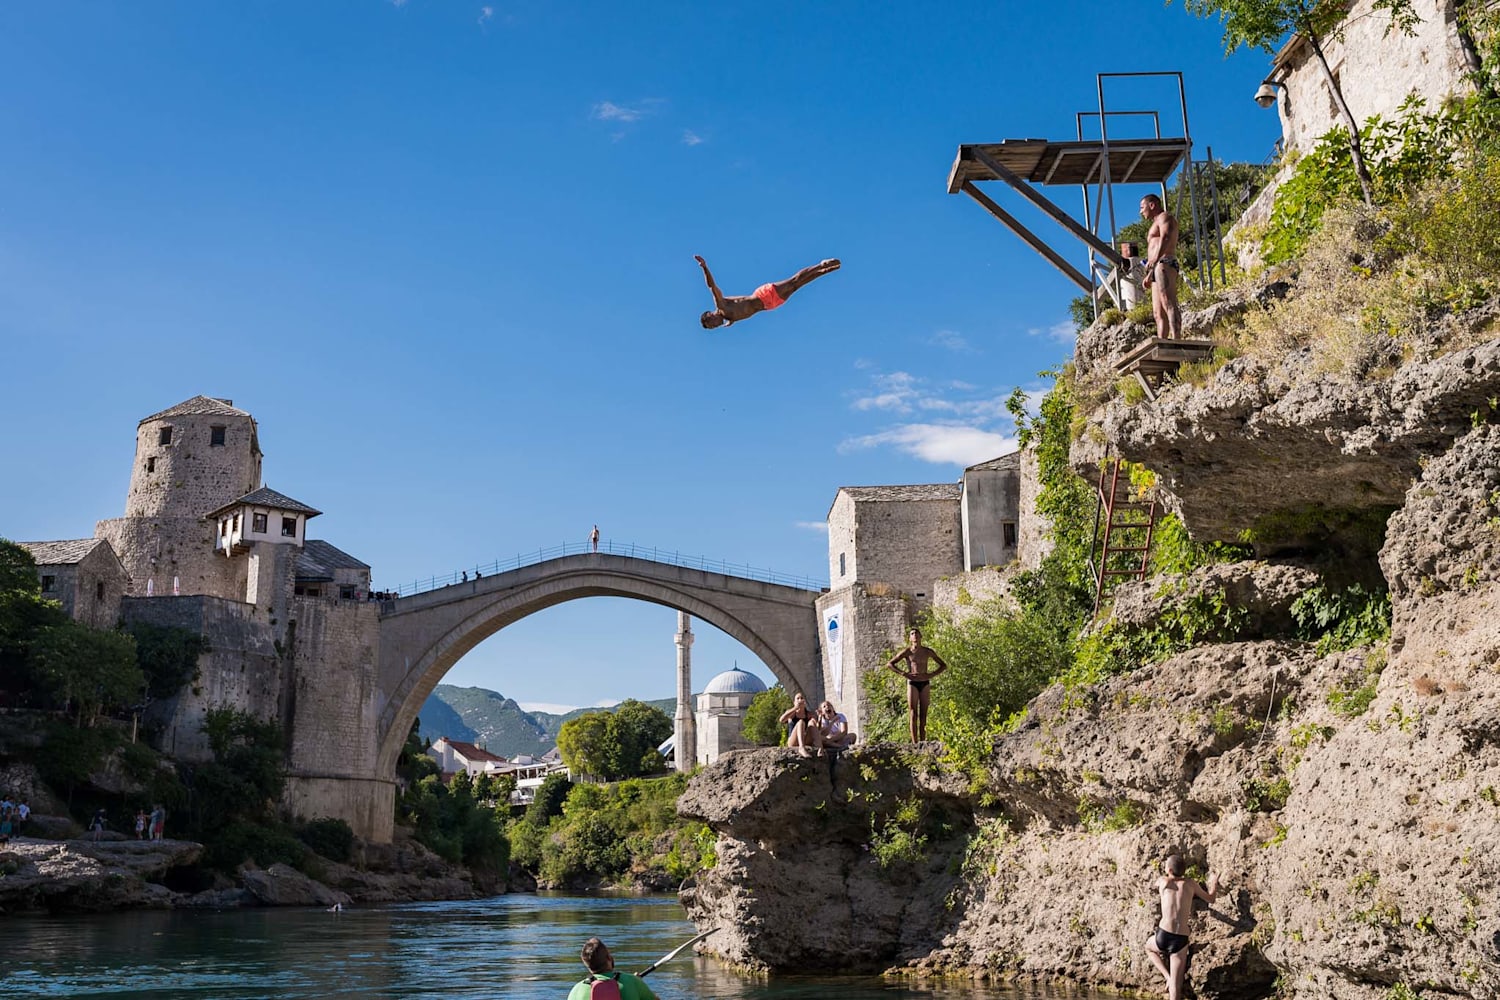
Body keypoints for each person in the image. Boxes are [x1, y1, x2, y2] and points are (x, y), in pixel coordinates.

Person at [1144, 854, 1220, 1000]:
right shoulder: (1190, 884)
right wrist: (1214, 883)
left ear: (1169, 869)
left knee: (1148, 947)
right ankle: (1171, 980)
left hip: (1163, 935)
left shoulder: (1163, 881)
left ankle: (1167, 976)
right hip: (1180, 939)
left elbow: (1153, 886)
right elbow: (1211, 899)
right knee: (1176, 987)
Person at [695, 255, 840, 329]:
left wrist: (704, 267)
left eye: (712, 324)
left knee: (793, 281)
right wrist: (731, 321)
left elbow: (711, 286)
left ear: (710, 315)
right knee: (797, 286)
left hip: (763, 295)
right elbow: (735, 315)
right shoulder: (729, 318)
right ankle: (824, 271)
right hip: (770, 305)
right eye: (713, 328)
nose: (716, 326)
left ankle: (820, 265)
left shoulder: (721, 305)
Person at [886, 627, 949, 742]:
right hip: (912, 683)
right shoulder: (907, 652)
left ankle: (923, 741)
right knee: (913, 713)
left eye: (916, 633)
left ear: (920, 637)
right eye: (912, 634)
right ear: (910, 638)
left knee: (924, 714)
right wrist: (904, 673)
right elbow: (890, 664)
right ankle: (915, 743)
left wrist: (931, 675)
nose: (914, 635)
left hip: (924, 682)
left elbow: (943, 665)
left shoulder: (927, 651)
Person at [1139, 193, 1182, 340]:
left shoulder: (1165, 217)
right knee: (1158, 313)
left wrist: (1156, 259)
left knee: (1168, 302)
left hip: (1165, 262)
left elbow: (1166, 237)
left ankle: (1177, 338)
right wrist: (1149, 275)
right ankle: (1162, 341)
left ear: (1152, 205)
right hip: (1156, 266)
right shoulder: (1154, 223)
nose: (1141, 211)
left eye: (1142, 207)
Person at [566, 937, 659, 1000]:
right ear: (609, 958)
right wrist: (638, 983)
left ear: (587, 964)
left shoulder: (576, 991)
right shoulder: (632, 982)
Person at [777, 692, 821, 758]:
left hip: (805, 738)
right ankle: (801, 748)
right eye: (798, 698)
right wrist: (795, 708)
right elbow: (781, 720)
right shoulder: (792, 713)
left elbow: (817, 729)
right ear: (794, 702)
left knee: (812, 722)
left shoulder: (809, 714)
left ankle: (820, 747)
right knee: (801, 722)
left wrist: (820, 718)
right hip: (793, 741)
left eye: (802, 698)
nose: (800, 700)